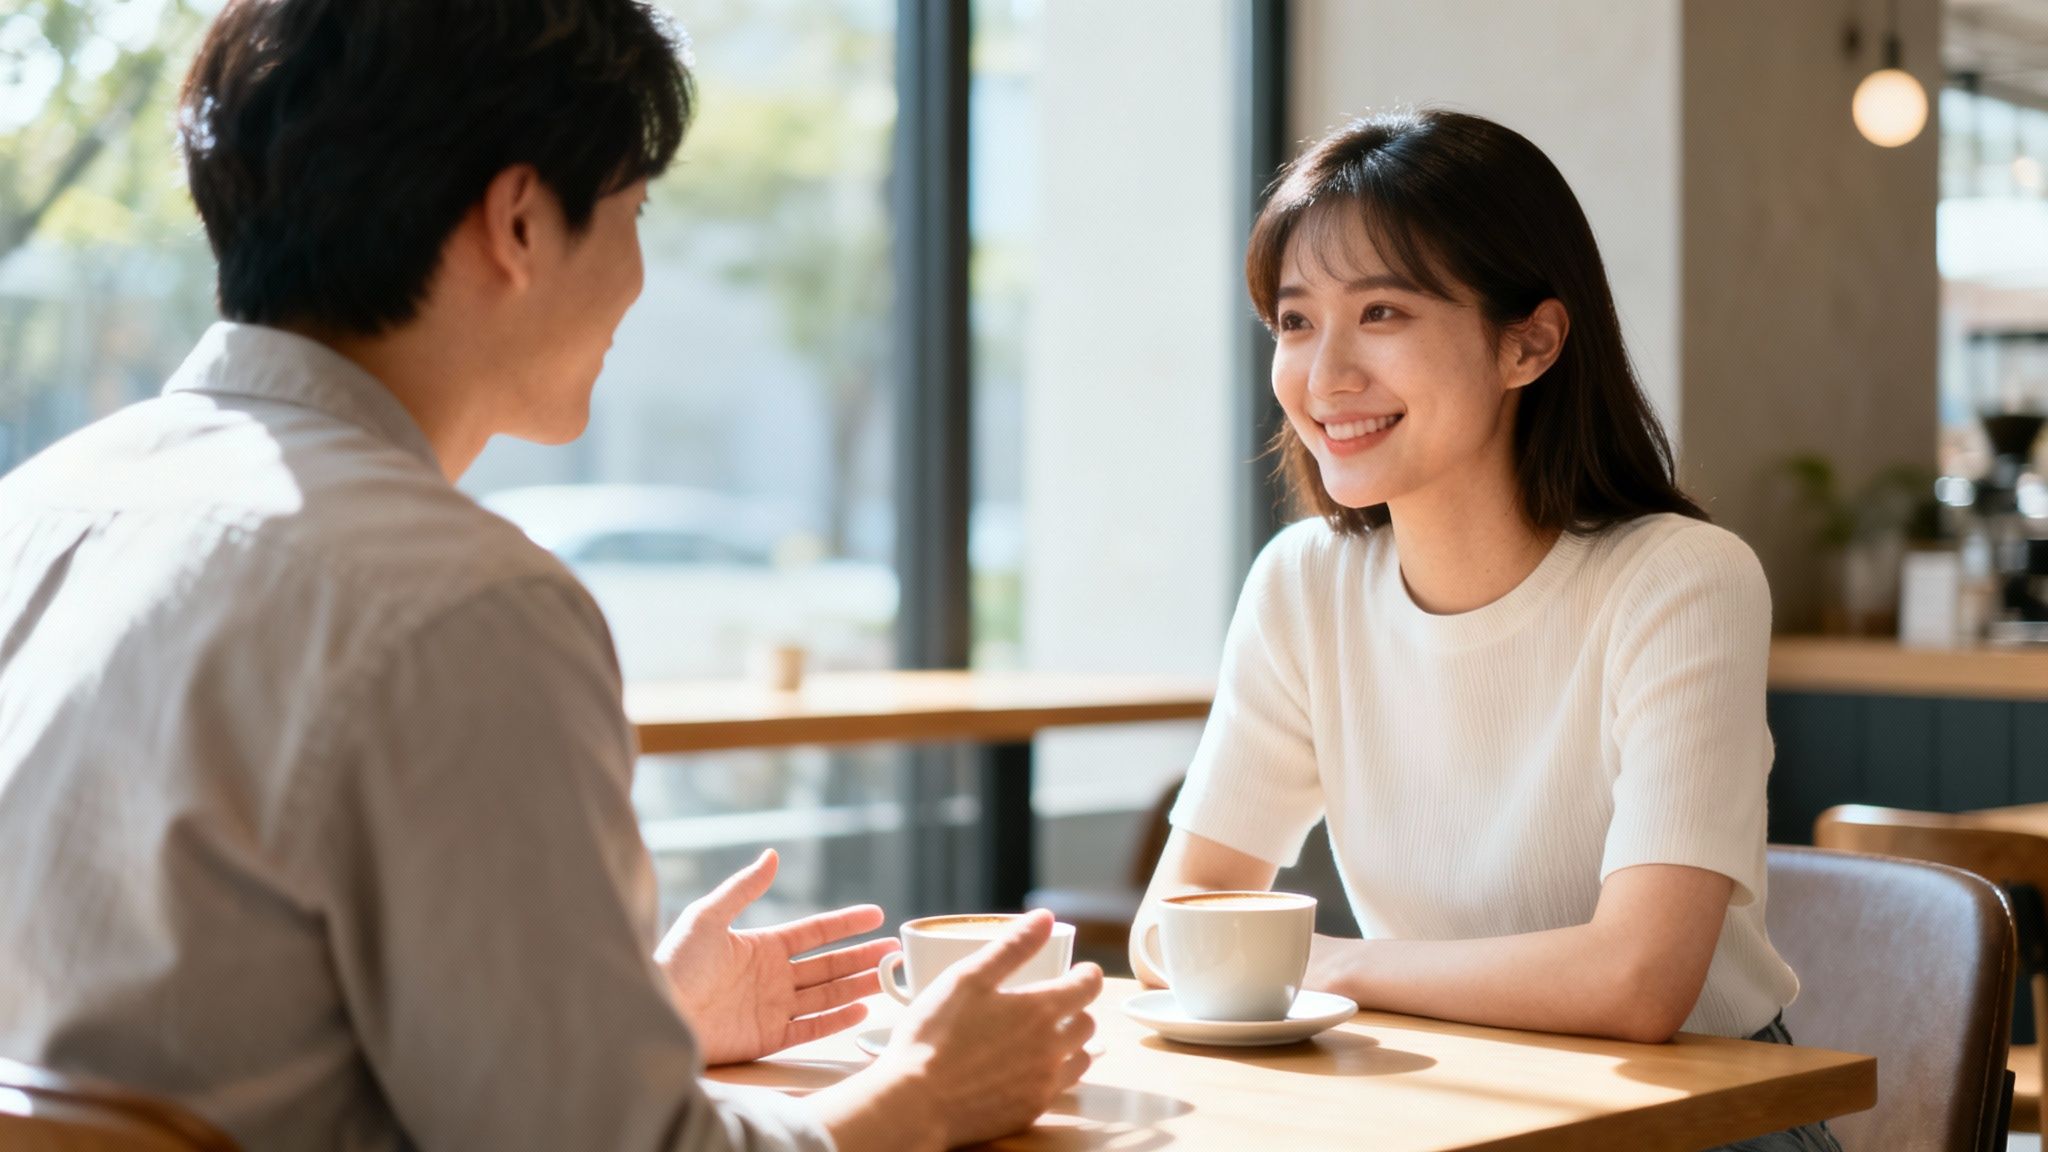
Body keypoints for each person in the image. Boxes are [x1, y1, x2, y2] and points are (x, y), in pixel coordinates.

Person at [0, 2, 1100, 1150]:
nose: (636, 275)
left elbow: (213, 1027)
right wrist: (924, 1090)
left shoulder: (34, 515)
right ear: (519, 221)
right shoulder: (458, 604)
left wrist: (622, 1021)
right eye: (633, 209)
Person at [1129, 109, 1838, 1152]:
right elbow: (1165, 926)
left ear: (1529, 342)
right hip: (1445, 1102)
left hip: (1695, 1126)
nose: (1322, 377)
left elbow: (1638, 983)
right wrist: (1314, 972)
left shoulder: (1680, 580)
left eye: (1380, 313)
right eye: (1292, 321)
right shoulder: (1302, 586)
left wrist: (1323, 969)